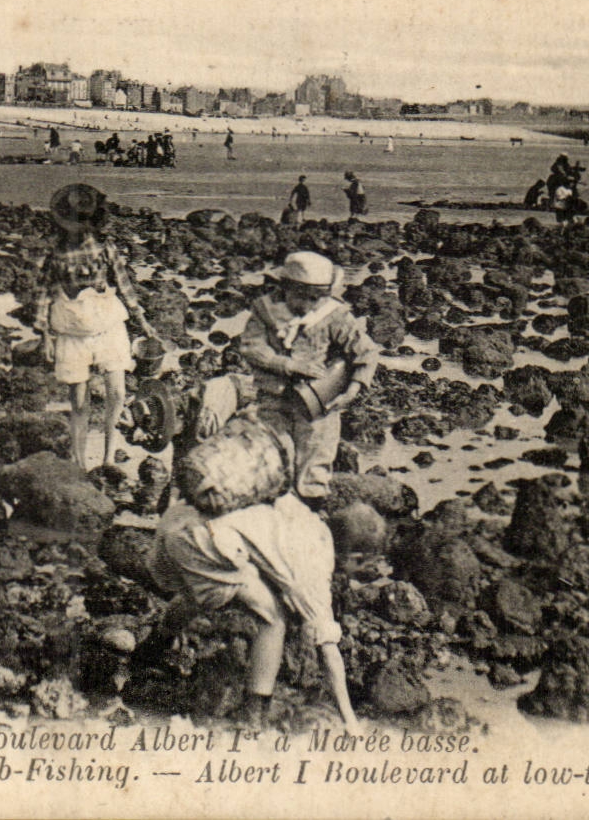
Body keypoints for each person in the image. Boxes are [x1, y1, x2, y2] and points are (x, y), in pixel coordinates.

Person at [145, 417, 360, 732]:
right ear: (352, 556)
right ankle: (254, 715)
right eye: (365, 567)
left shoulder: (300, 516)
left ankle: (151, 648)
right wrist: (352, 723)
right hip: (202, 541)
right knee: (272, 616)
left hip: (177, 521)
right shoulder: (314, 567)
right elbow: (329, 655)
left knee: (210, 588)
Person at [222, 251, 378, 500]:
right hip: (273, 397)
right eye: (302, 297)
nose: (308, 305)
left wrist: (354, 389)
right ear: (285, 288)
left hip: (318, 403)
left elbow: (366, 351)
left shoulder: (333, 315)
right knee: (271, 455)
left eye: (316, 298)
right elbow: (251, 346)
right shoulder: (266, 310)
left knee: (315, 459)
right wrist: (287, 364)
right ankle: (274, 511)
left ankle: (312, 507)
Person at [33, 183, 158, 471]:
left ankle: (109, 456)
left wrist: (142, 320)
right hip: (71, 329)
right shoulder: (57, 253)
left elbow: (124, 285)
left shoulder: (106, 248)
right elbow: (44, 293)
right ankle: (78, 460)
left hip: (107, 324)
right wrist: (45, 337)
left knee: (117, 392)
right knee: (78, 400)